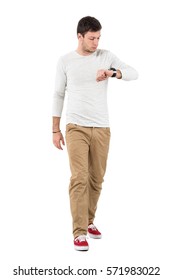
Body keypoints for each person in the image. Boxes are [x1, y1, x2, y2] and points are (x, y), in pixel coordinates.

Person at [52, 16, 138, 251]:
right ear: (79, 36)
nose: (96, 42)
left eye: (98, 37)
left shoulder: (106, 56)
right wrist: (55, 129)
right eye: (91, 38)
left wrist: (112, 73)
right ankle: (79, 232)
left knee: (96, 179)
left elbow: (134, 73)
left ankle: (90, 221)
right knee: (78, 178)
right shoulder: (65, 61)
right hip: (75, 127)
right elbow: (58, 95)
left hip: (102, 127)